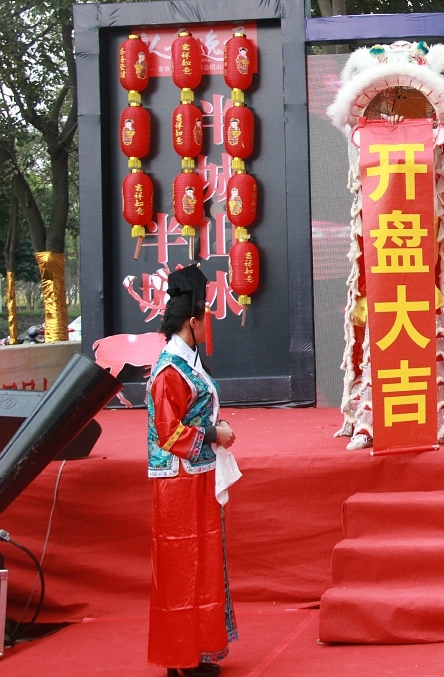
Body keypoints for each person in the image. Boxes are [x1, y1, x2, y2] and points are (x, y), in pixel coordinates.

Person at [147, 265, 240, 676]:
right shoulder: (170, 370)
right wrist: (215, 433)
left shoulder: (187, 362)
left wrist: (214, 430)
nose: (208, 323)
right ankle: (181, 656)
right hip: (179, 482)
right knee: (183, 565)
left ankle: (192, 651)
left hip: (195, 474)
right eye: (205, 316)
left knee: (200, 562)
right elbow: (169, 433)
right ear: (192, 321)